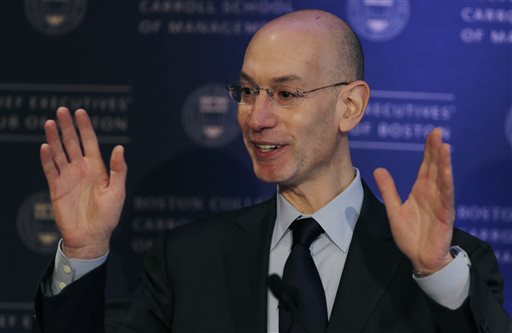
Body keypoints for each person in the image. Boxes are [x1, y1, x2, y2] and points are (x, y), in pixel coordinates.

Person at [33, 9, 511, 333]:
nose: (256, 117)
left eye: (285, 94)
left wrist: (434, 272)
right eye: (247, 91)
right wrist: (85, 250)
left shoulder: (449, 263)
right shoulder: (188, 259)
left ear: (350, 106)